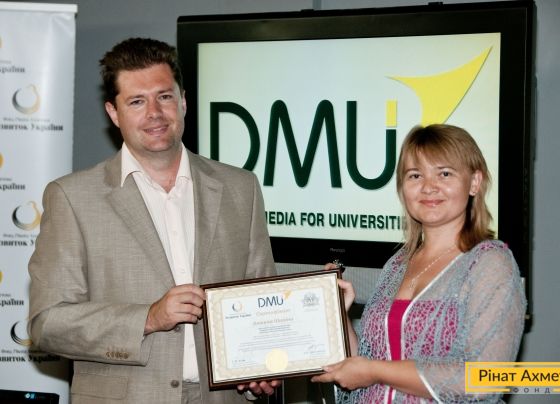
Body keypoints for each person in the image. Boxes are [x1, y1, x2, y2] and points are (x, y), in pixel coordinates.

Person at [28, 37, 278, 403]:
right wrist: (148, 317)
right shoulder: (72, 198)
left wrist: (261, 368)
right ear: (114, 113)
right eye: (136, 101)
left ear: (183, 101)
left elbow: (263, 302)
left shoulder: (241, 188)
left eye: (164, 96)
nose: (155, 113)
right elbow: (47, 323)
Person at [312, 124, 526, 403]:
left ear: (474, 182)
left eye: (444, 173)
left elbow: (485, 379)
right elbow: (363, 365)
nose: (428, 187)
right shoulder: (397, 265)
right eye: (415, 175)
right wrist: (339, 313)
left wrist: (376, 371)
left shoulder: (490, 262)